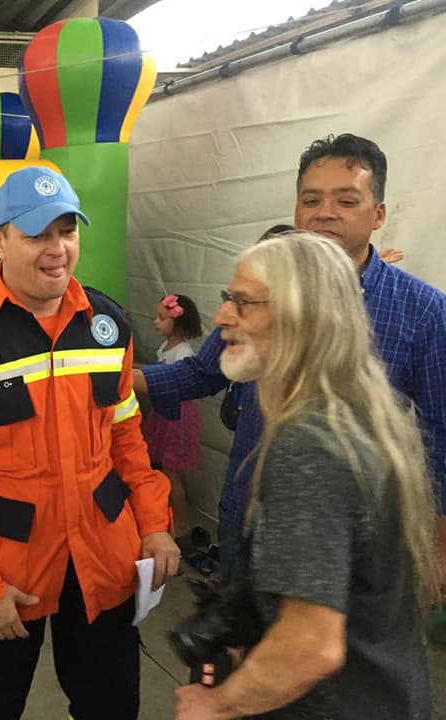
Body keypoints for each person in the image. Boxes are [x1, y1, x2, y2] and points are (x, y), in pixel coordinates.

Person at [0, 166, 179, 720]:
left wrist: (154, 523)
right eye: (37, 235)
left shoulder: (107, 323)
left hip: (104, 562)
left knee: (112, 707)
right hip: (7, 575)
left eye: (67, 231)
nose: (57, 249)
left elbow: (127, 439)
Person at [134, 134, 446, 582]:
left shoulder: (423, 312)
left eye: (346, 200)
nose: (325, 213)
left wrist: (439, 543)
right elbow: (204, 373)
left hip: (350, 542)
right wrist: (112, 378)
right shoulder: (261, 292)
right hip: (250, 517)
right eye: (311, 199)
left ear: (378, 215)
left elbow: (443, 432)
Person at [174, 231, 437, 720]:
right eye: (226, 298)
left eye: (244, 303)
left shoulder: (309, 445)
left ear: (304, 317)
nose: (221, 317)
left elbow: (311, 645)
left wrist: (217, 704)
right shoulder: (356, 415)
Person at [141, 293, 203, 539]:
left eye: (161, 318)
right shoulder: (165, 347)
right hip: (163, 413)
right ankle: (164, 513)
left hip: (177, 416)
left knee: (172, 472)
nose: (156, 322)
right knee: (162, 469)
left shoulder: (183, 353)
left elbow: (170, 378)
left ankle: (182, 523)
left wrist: (138, 370)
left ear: (176, 323)